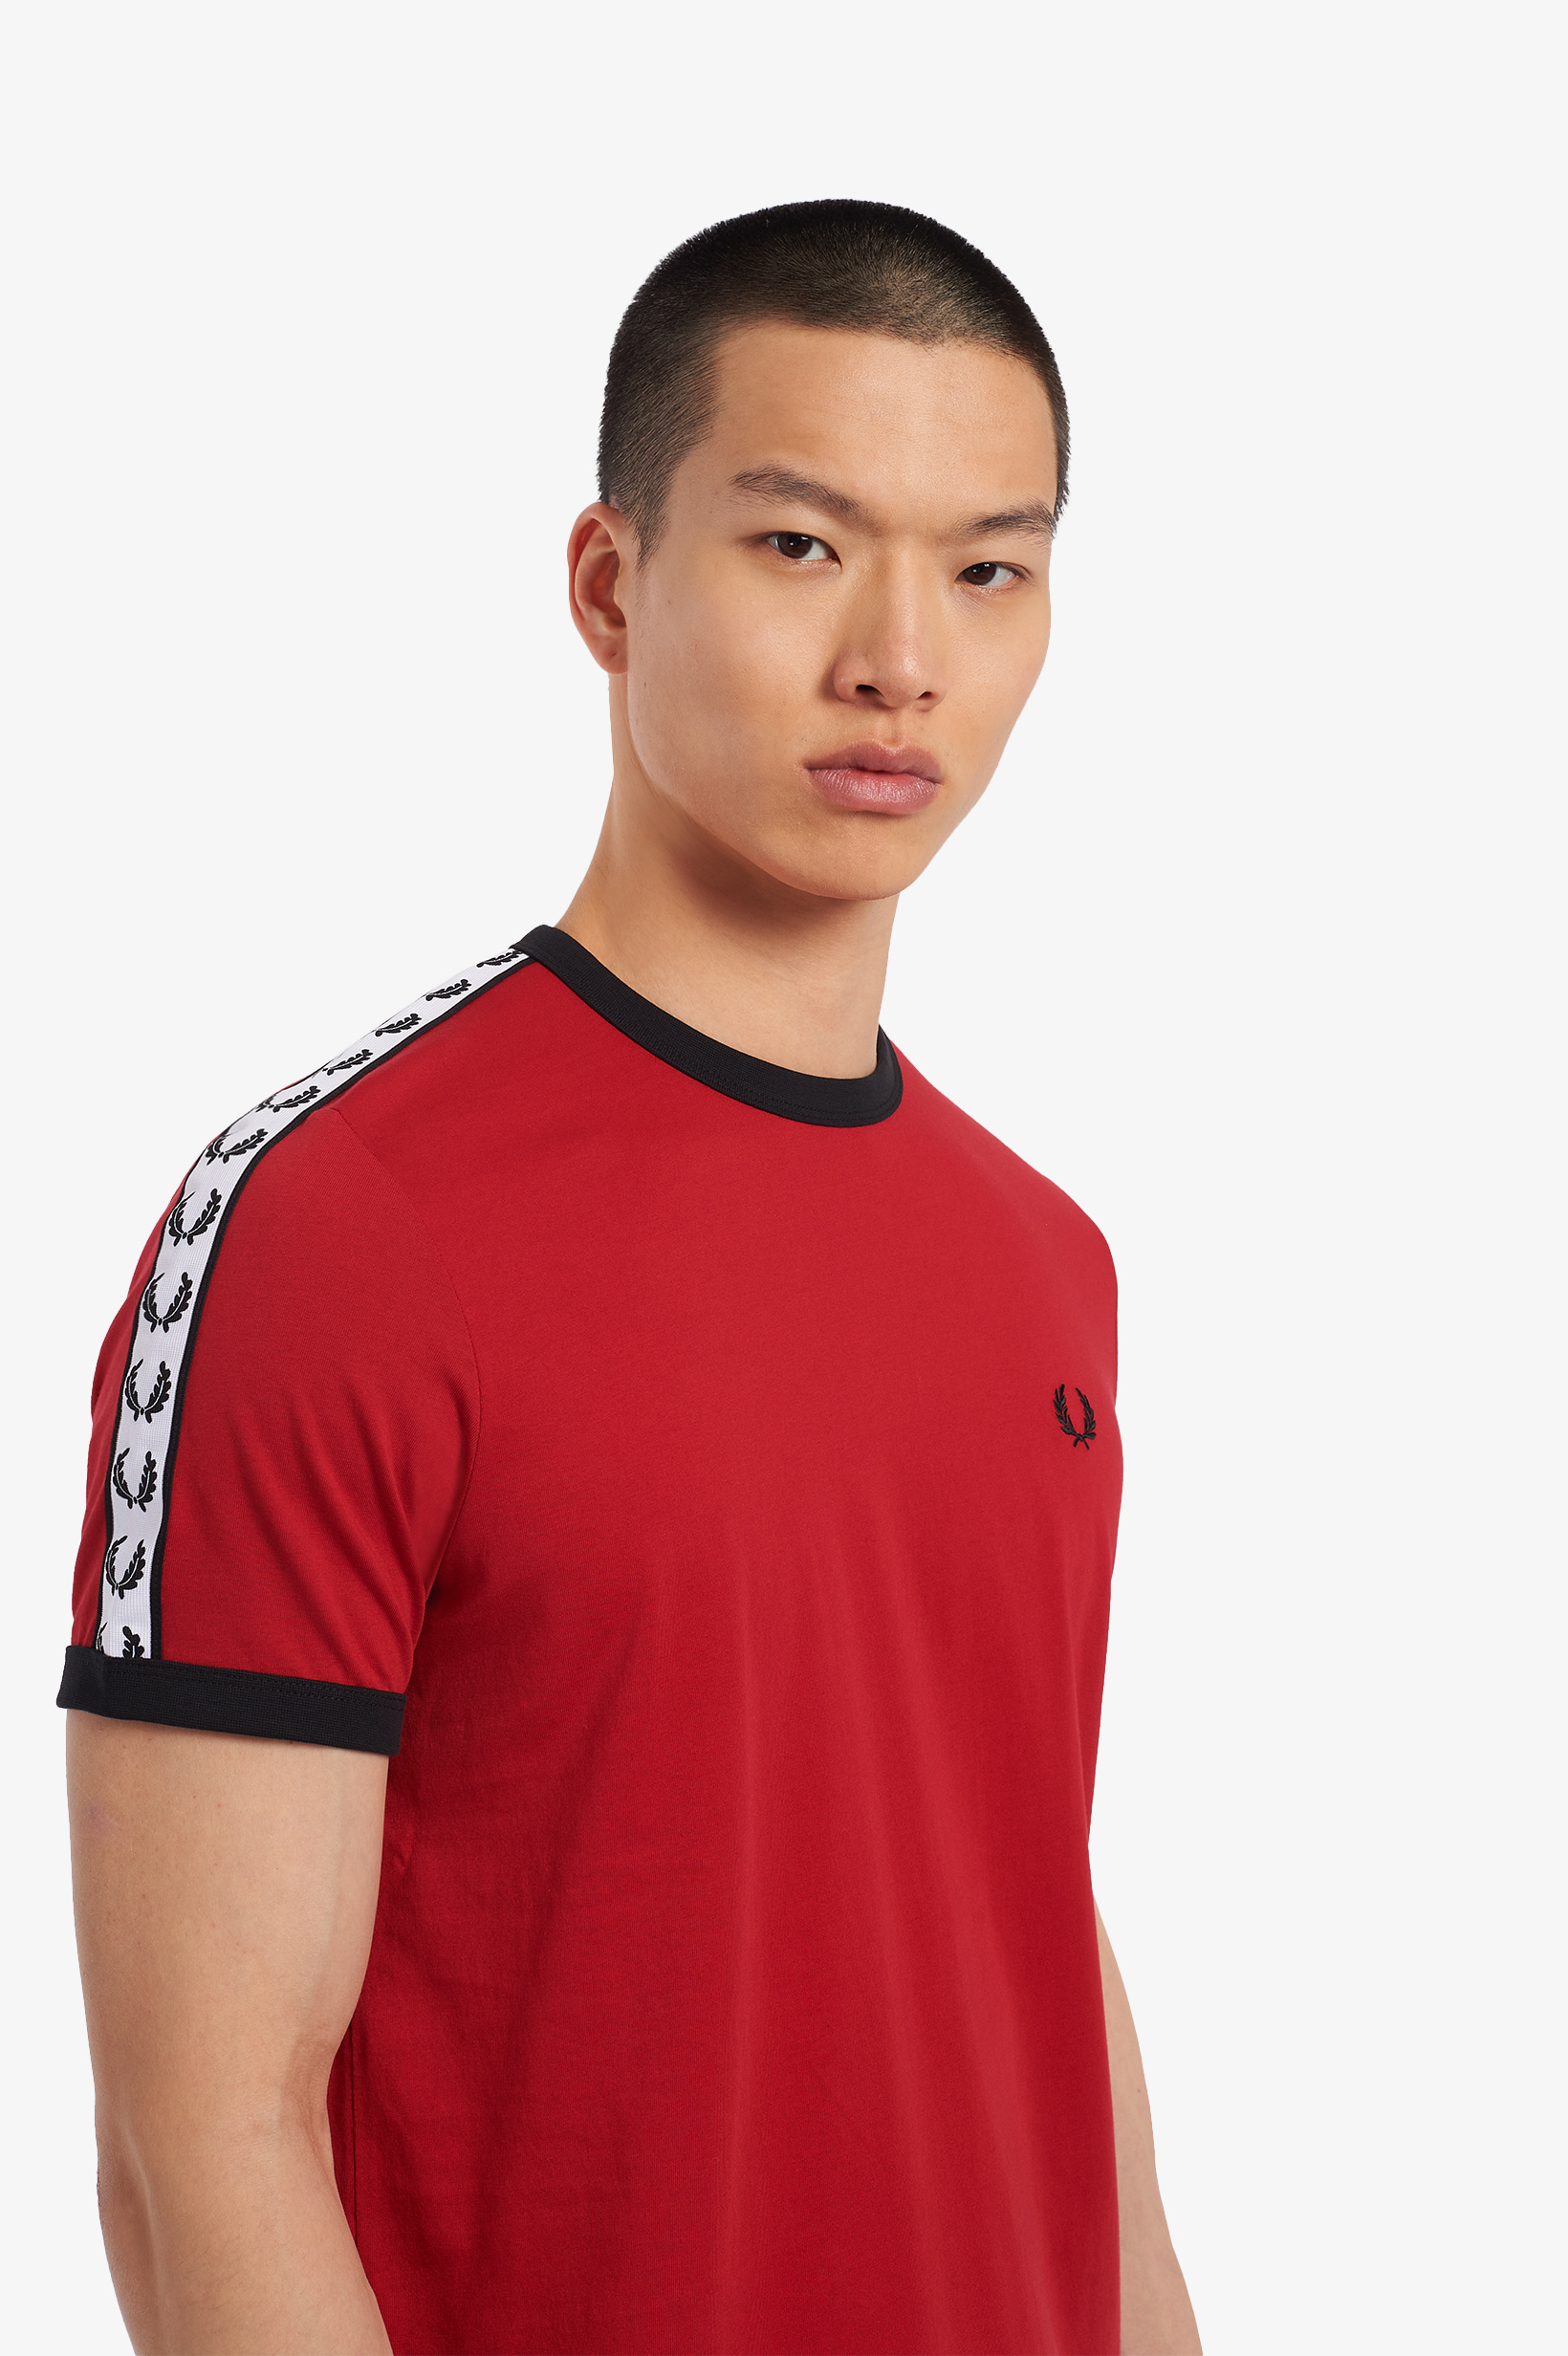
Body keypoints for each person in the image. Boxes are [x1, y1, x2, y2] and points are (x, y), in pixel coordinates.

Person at [60, 200, 1200, 2356]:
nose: (900, 659)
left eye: (989, 568)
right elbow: (199, 2141)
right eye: (800, 545)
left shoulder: (1043, 1261)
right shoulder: (335, 1227)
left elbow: (1024, 1936)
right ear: (608, 581)